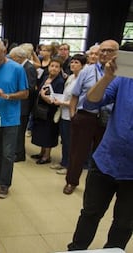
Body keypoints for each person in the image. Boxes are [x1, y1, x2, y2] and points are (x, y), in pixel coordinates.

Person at [67, 42, 133, 251]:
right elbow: (91, 103)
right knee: (90, 213)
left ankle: (113, 251)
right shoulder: (123, 79)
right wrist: (106, 78)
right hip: (106, 160)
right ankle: (76, 250)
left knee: (124, 223)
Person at [63, 40, 119, 195]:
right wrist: (73, 115)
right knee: (77, 153)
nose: (104, 54)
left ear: (117, 54)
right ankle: (71, 181)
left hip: (108, 118)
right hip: (85, 117)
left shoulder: (121, 72)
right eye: (102, 50)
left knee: (102, 154)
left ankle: (99, 186)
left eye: (109, 51)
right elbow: (75, 94)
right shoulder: (87, 71)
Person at [0, 40, 28, 199]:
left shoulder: (17, 69)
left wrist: (7, 95)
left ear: (5, 51)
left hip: (10, 118)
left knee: (8, 153)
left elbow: (25, 93)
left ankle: (5, 183)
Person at [51, 54, 87, 174]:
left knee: (71, 142)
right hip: (63, 112)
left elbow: (78, 100)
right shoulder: (71, 77)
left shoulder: (83, 79)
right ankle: (64, 162)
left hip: (73, 113)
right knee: (65, 141)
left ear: (83, 65)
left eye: (76, 63)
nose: (73, 65)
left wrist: (62, 102)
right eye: (72, 62)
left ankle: (69, 166)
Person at [30, 58, 65, 164]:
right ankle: (42, 152)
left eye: (56, 66)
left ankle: (47, 156)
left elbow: (56, 99)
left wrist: (44, 97)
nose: (53, 68)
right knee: (41, 132)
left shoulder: (60, 82)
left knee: (48, 133)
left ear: (60, 69)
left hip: (51, 111)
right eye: (52, 66)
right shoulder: (45, 77)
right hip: (41, 110)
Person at [9, 46, 37, 162]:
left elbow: (30, 87)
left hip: (24, 104)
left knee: (20, 131)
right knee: (17, 131)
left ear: (19, 58)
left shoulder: (28, 68)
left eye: (13, 58)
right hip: (20, 103)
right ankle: (17, 152)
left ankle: (19, 154)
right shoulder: (22, 67)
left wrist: (16, 89)